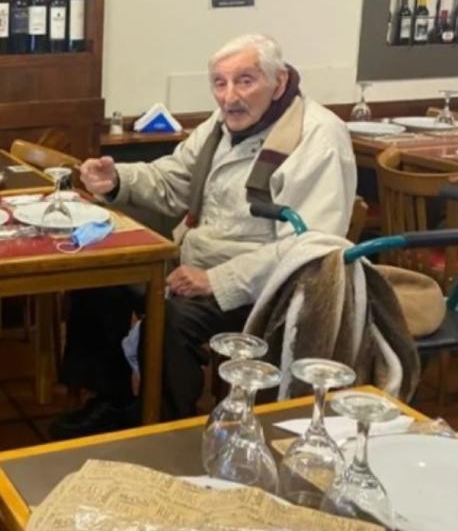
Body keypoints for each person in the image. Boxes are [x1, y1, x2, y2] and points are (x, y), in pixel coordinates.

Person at [51, 33, 357, 439]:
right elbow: (175, 179)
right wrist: (118, 178)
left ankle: (165, 428)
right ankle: (113, 401)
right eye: (220, 83)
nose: (229, 96)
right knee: (101, 276)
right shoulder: (223, 125)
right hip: (192, 260)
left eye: (245, 81)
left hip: (264, 289)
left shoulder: (318, 138)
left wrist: (216, 280)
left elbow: (311, 248)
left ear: (279, 82)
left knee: (175, 319)